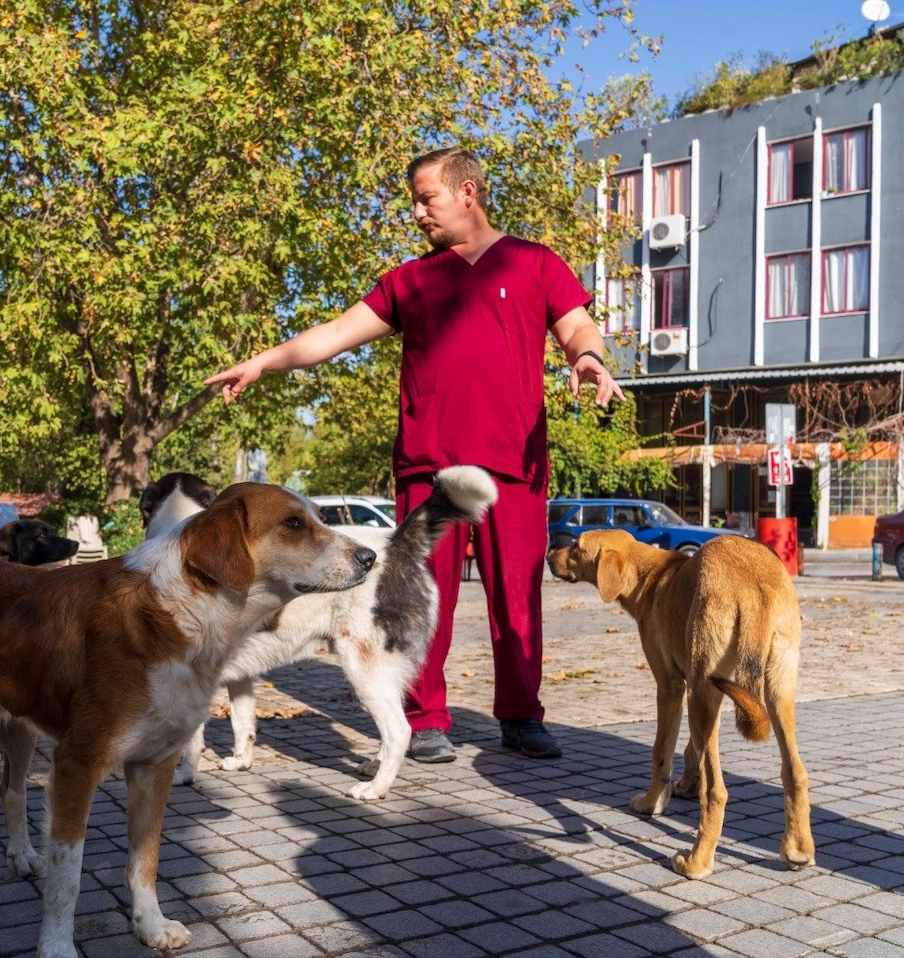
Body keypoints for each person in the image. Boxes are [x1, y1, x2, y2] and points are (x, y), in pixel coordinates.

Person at [206, 147, 623, 762]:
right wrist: (266, 361)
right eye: (415, 201)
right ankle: (425, 717)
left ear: (468, 193)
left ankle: (521, 716)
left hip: (515, 462)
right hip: (431, 464)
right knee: (423, 594)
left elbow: (578, 326)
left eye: (426, 199)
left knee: (518, 595)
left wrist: (588, 359)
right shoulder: (410, 281)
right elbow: (334, 334)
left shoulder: (534, 263)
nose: (418, 212)